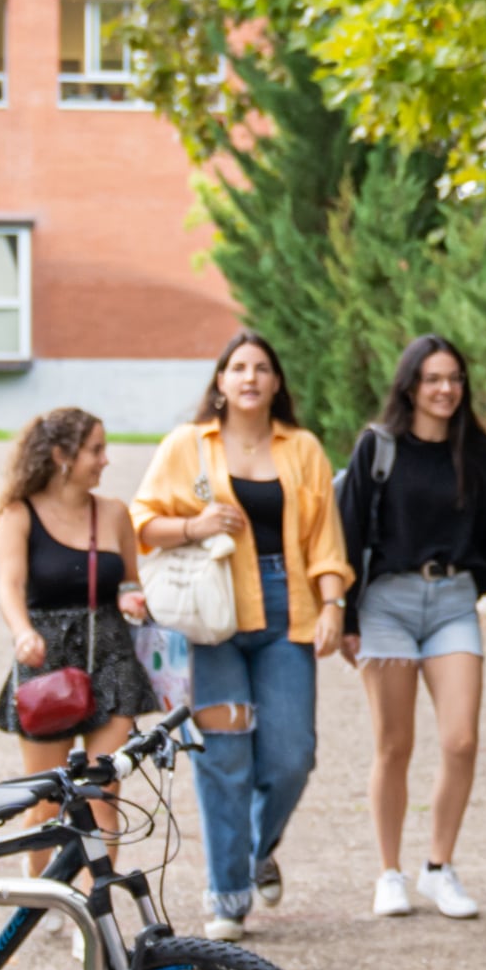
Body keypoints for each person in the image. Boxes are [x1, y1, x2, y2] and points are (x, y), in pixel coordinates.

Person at [130, 331, 354, 935]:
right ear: (220, 383)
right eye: (238, 368)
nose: (250, 377)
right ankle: (228, 894)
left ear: (277, 382)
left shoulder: (303, 448)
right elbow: (141, 522)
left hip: (289, 609)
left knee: (291, 755)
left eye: (262, 368)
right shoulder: (187, 445)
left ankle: (256, 851)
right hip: (211, 614)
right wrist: (195, 524)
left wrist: (334, 604)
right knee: (224, 757)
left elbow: (325, 539)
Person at [339, 332, 486, 919]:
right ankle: (389, 873)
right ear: (411, 385)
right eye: (433, 379)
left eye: (454, 379)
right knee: (394, 745)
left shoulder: (477, 452)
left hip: (451, 602)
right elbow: (347, 536)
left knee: (461, 740)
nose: (446, 389)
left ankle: (439, 868)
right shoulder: (378, 447)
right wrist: (346, 618)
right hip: (387, 605)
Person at [0, 405, 156, 797]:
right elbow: (9, 586)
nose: (106, 459)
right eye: (95, 450)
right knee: (47, 800)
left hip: (111, 657)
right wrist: (21, 633)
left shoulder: (115, 513)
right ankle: (41, 862)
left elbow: (130, 582)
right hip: (45, 661)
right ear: (61, 456)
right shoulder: (19, 514)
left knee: (103, 795)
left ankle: (99, 863)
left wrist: (132, 598)